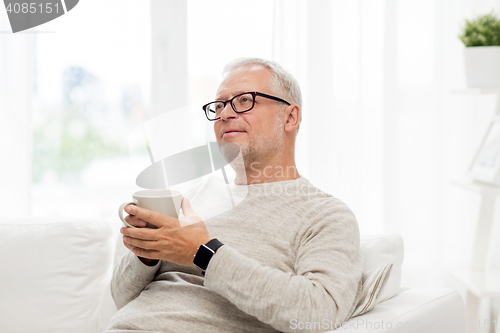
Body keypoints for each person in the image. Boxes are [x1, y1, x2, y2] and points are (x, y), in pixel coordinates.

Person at [106, 58, 363, 333]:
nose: (225, 114)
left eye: (244, 101)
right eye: (219, 106)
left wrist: (203, 252)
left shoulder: (326, 214)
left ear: (290, 117)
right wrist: (146, 253)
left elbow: (319, 312)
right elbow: (121, 297)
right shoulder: (194, 195)